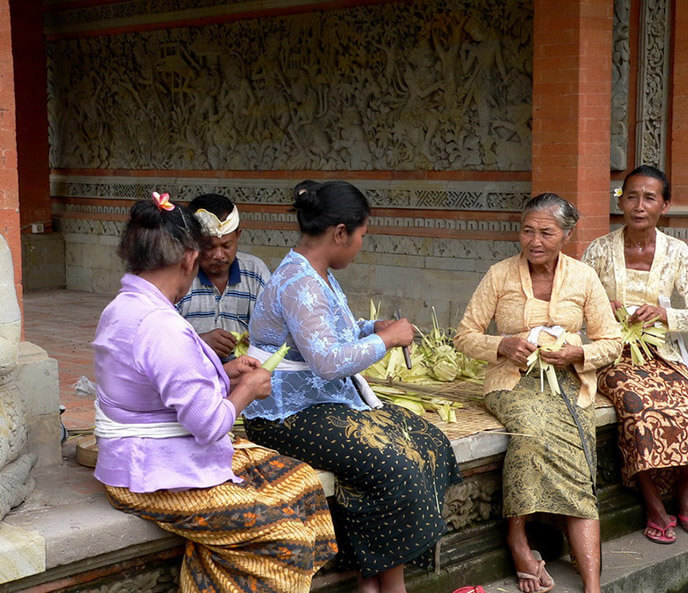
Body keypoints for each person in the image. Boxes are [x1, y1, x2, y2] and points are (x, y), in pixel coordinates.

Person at [93, 193, 336, 593]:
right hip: (154, 475)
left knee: (301, 483)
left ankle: (215, 571)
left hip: (160, 458)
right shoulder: (160, 326)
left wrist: (224, 374)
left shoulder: (126, 306)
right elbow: (208, 425)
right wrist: (249, 390)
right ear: (190, 258)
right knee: (286, 539)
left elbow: (160, 385)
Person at [242, 180, 462, 593]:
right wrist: (387, 340)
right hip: (286, 415)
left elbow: (327, 334)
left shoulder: (317, 273)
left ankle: (374, 578)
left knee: (427, 441)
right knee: (396, 464)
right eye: (362, 235)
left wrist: (369, 327)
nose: (362, 244)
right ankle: (383, 582)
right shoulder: (299, 282)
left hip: (329, 402)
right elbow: (327, 362)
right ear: (340, 232)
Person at [455, 193, 622, 593]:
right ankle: (517, 538)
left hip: (569, 381)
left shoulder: (583, 277)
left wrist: (577, 352)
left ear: (566, 234)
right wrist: (502, 345)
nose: (535, 241)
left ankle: (593, 586)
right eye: (528, 231)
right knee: (529, 433)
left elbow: (612, 341)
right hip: (512, 382)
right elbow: (464, 335)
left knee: (579, 456)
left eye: (546, 232)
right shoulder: (500, 274)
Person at [581, 165, 688, 545]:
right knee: (638, 411)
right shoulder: (600, 250)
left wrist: (664, 314)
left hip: (664, 355)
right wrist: (602, 307)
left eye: (650, 198)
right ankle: (653, 502)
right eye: (631, 196)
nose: (639, 205)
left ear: (664, 205)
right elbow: (573, 305)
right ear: (620, 202)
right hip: (614, 355)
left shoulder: (677, 252)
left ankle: (685, 494)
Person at [177, 193, 271, 361]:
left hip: (243, 376)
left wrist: (257, 342)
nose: (219, 255)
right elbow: (160, 340)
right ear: (191, 241)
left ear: (238, 235)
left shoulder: (255, 272)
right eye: (208, 247)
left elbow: (272, 330)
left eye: (227, 245)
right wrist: (200, 342)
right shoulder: (179, 276)